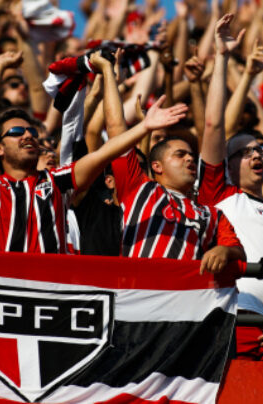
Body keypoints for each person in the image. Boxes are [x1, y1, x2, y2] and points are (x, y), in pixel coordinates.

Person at [0, 95, 187, 253]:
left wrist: (144, 127)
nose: (28, 135)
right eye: (16, 131)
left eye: (31, 130)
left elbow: (103, 153)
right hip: (6, 297)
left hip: (55, 298)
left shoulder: (57, 181)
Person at [80, 49, 246, 274]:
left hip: (183, 304)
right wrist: (109, 72)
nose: (189, 158)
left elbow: (238, 250)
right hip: (136, 295)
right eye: (180, 155)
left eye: (192, 156)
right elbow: (116, 128)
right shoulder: (138, 189)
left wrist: (225, 251)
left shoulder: (212, 214)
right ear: (156, 166)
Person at [197, 14, 263, 359]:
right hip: (234, 327)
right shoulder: (217, 194)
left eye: (262, 150)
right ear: (227, 163)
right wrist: (223, 58)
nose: (257, 155)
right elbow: (213, 127)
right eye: (246, 151)